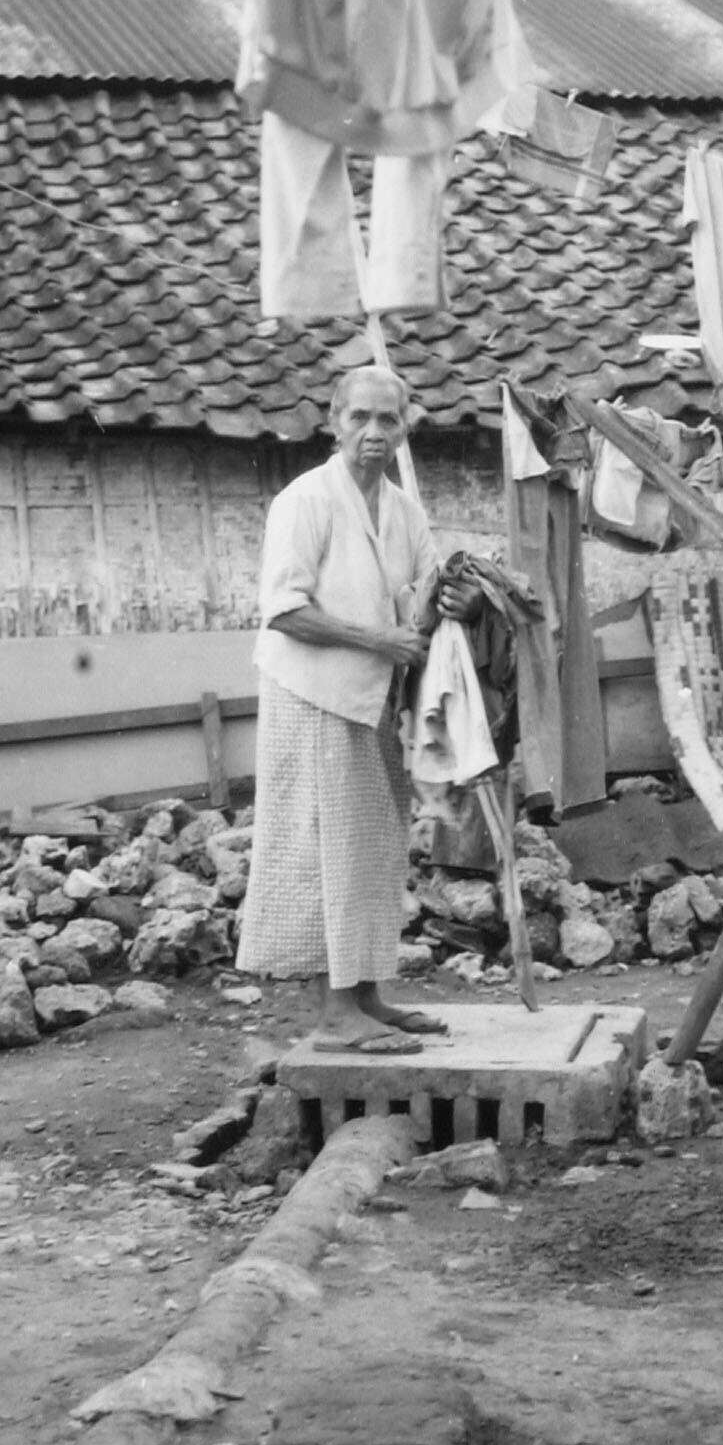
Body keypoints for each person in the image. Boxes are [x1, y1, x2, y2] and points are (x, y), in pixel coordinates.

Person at [236, 365, 478, 1052]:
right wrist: (379, 639)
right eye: (359, 418)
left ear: (404, 429)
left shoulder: (403, 510)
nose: (373, 431)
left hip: (373, 698)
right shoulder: (305, 500)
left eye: (387, 419)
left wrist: (459, 600)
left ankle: (367, 995)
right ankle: (336, 1015)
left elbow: (424, 595)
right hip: (311, 695)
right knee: (322, 849)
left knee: (371, 848)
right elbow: (284, 610)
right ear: (334, 423)